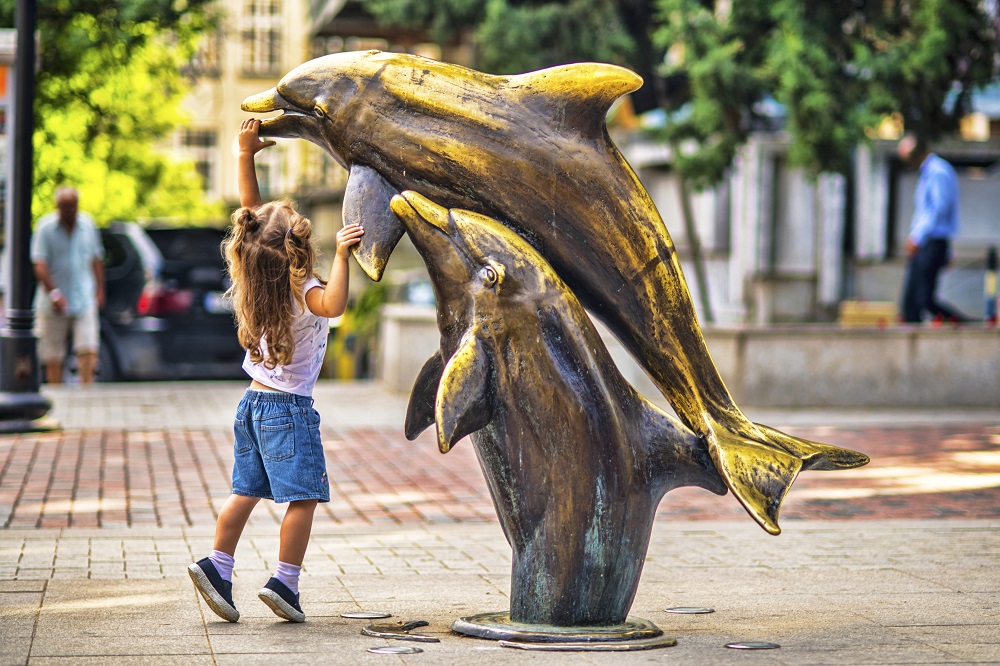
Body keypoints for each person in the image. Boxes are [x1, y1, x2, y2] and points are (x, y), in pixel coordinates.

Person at [188, 119, 364, 623]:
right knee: (303, 496)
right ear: (295, 247)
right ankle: (285, 584)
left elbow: (251, 215)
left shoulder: (252, 270)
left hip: (251, 404)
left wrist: (245, 154)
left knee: (245, 490)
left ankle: (217, 565)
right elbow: (333, 305)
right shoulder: (301, 287)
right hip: (287, 411)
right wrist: (346, 255)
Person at [31, 186, 105, 385]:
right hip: (52, 300)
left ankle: (86, 389)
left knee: (88, 344)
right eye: (64, 206)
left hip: (83, 295)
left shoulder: (88, 225)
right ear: (57, 207)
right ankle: (57, 390)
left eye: (72, 206)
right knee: (52, 351)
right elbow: (39, 264)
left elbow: (96, 260)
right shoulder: (45, 228)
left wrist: (100, 290)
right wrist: (53, 292)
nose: (69, 210)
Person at [897, 134, 968, 324]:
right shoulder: (927, 173)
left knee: (923, 299)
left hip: (932, 242)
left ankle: (963, 325)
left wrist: (918, 237)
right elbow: (924, 210)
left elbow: (938, 209)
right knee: (910, 302)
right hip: (925, 242)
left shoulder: (938, 171)